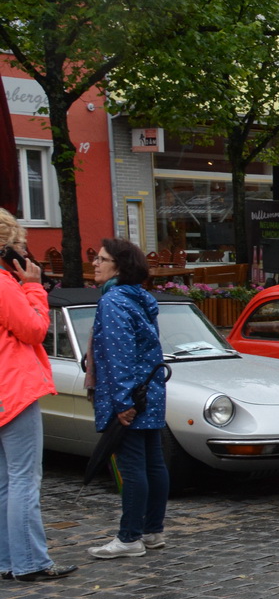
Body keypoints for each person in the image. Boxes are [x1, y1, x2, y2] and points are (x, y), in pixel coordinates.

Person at [0, 216, 74, 581]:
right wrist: (33, 288)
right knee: (24, 479)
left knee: (4, 481)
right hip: (12, 389)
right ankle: (30, 562)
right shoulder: (4, 285)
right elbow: (34, 330)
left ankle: (7, 560)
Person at [86, 239, 169, 560]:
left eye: (101, 259)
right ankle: (152, 531)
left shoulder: (114, 301)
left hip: (131, 396)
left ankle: (130, 537)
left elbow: (120, 355)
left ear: (119, 267)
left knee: (133, 467)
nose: (95, 263)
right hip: (149, 391)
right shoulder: (139, 298)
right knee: (153, 464)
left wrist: (122, 403)